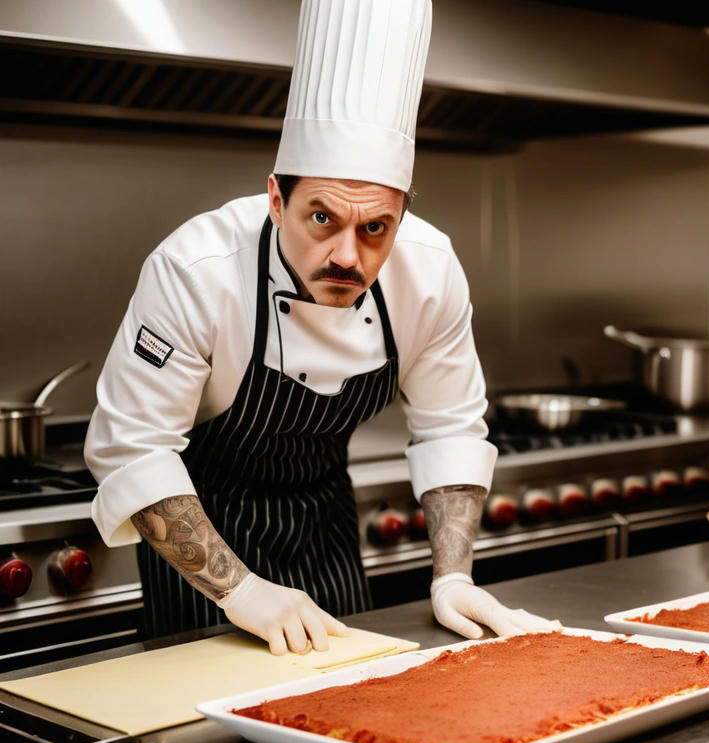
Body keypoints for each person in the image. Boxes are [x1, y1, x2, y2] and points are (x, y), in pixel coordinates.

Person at [84, 0, 557, 655]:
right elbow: (134, 451)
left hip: (326, 529)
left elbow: (449, 427)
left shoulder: (429, 269)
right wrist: (244, 591)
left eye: (374, 229)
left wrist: (454, 576)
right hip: (203, 557)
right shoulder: (196, 269)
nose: (346, 255)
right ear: (277, 200)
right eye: (321, 219)